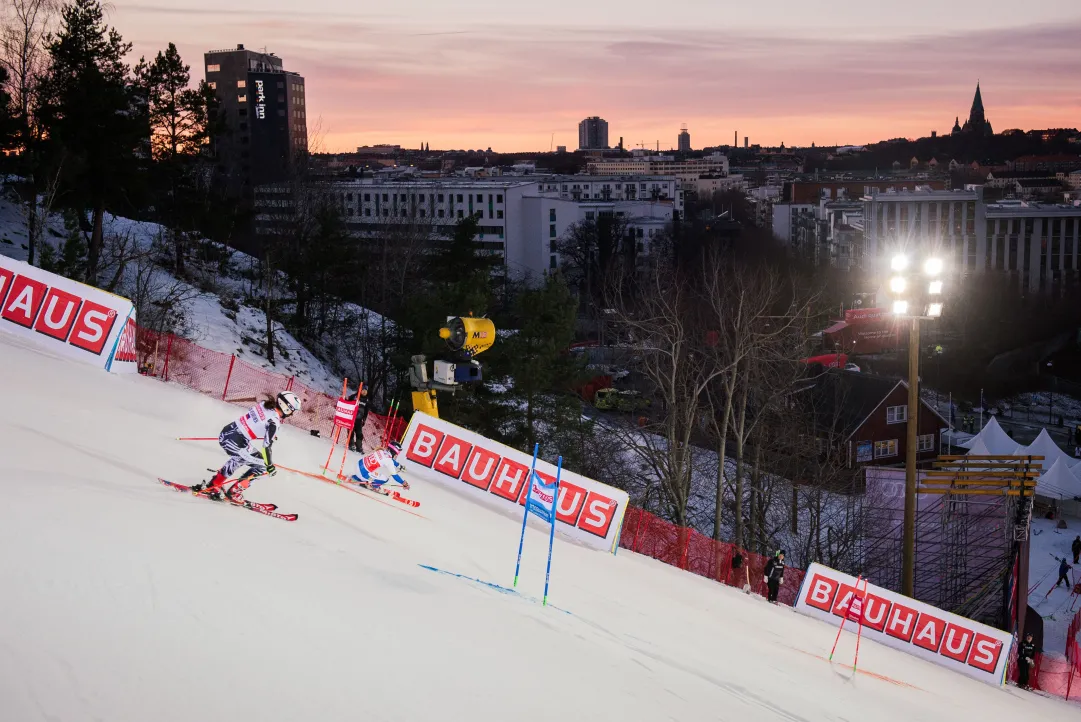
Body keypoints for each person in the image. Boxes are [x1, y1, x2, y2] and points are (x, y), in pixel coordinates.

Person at [194, 391, 301, 503]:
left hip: (227, 433)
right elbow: (266, 447)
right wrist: (270, 466)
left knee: (241, 457)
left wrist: (268, 434)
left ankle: (215, 484)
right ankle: (234, 492)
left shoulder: (264, 404)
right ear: (286, 407)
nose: (291, 414)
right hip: (236, 442)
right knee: (263, 467)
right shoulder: (274, 422)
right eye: (292, 410)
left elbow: (254, 422)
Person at [347, 387, 369, 453]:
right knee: (351, 431)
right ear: (360, 390)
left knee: (359, 433)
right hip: (351, 418)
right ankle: (351, 444)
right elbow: (347, 403)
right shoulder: (354, 396)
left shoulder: (366, 400)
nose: (364, 392)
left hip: (359, 419)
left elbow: (366, 411)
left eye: (366, 391)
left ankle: (359, 446)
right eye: (363, 390)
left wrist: (364, 419)